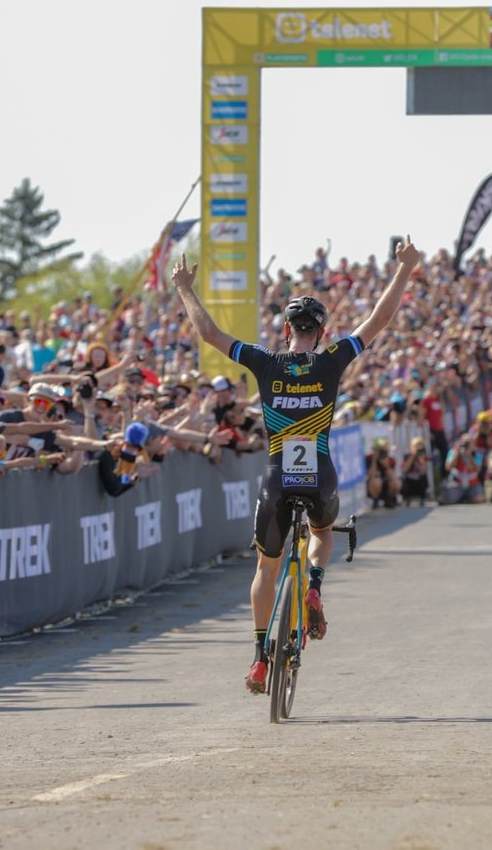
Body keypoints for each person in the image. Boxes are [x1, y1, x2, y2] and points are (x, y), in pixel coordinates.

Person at [172, 236, 421, 695]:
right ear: (322, 333)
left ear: (286, 330)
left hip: (276, 476)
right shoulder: (331, 360)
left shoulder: (266, 362)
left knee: (265, 569)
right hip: (319, 471)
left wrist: (185, 286)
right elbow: (380, 320)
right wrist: (405, 268)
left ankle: (259, 659)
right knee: (323, 535)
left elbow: (208, 334)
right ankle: (315, 587)